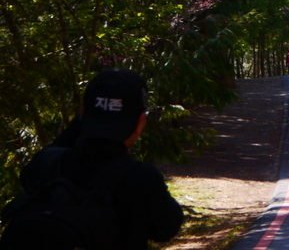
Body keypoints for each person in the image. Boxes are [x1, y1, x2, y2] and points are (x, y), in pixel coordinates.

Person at [0, 69, 183, 249]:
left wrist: (82, 122)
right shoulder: (140, 178)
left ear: (83, 113)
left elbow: (34, 172)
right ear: (141, 122)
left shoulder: (46, 163)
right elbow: (166, 228)